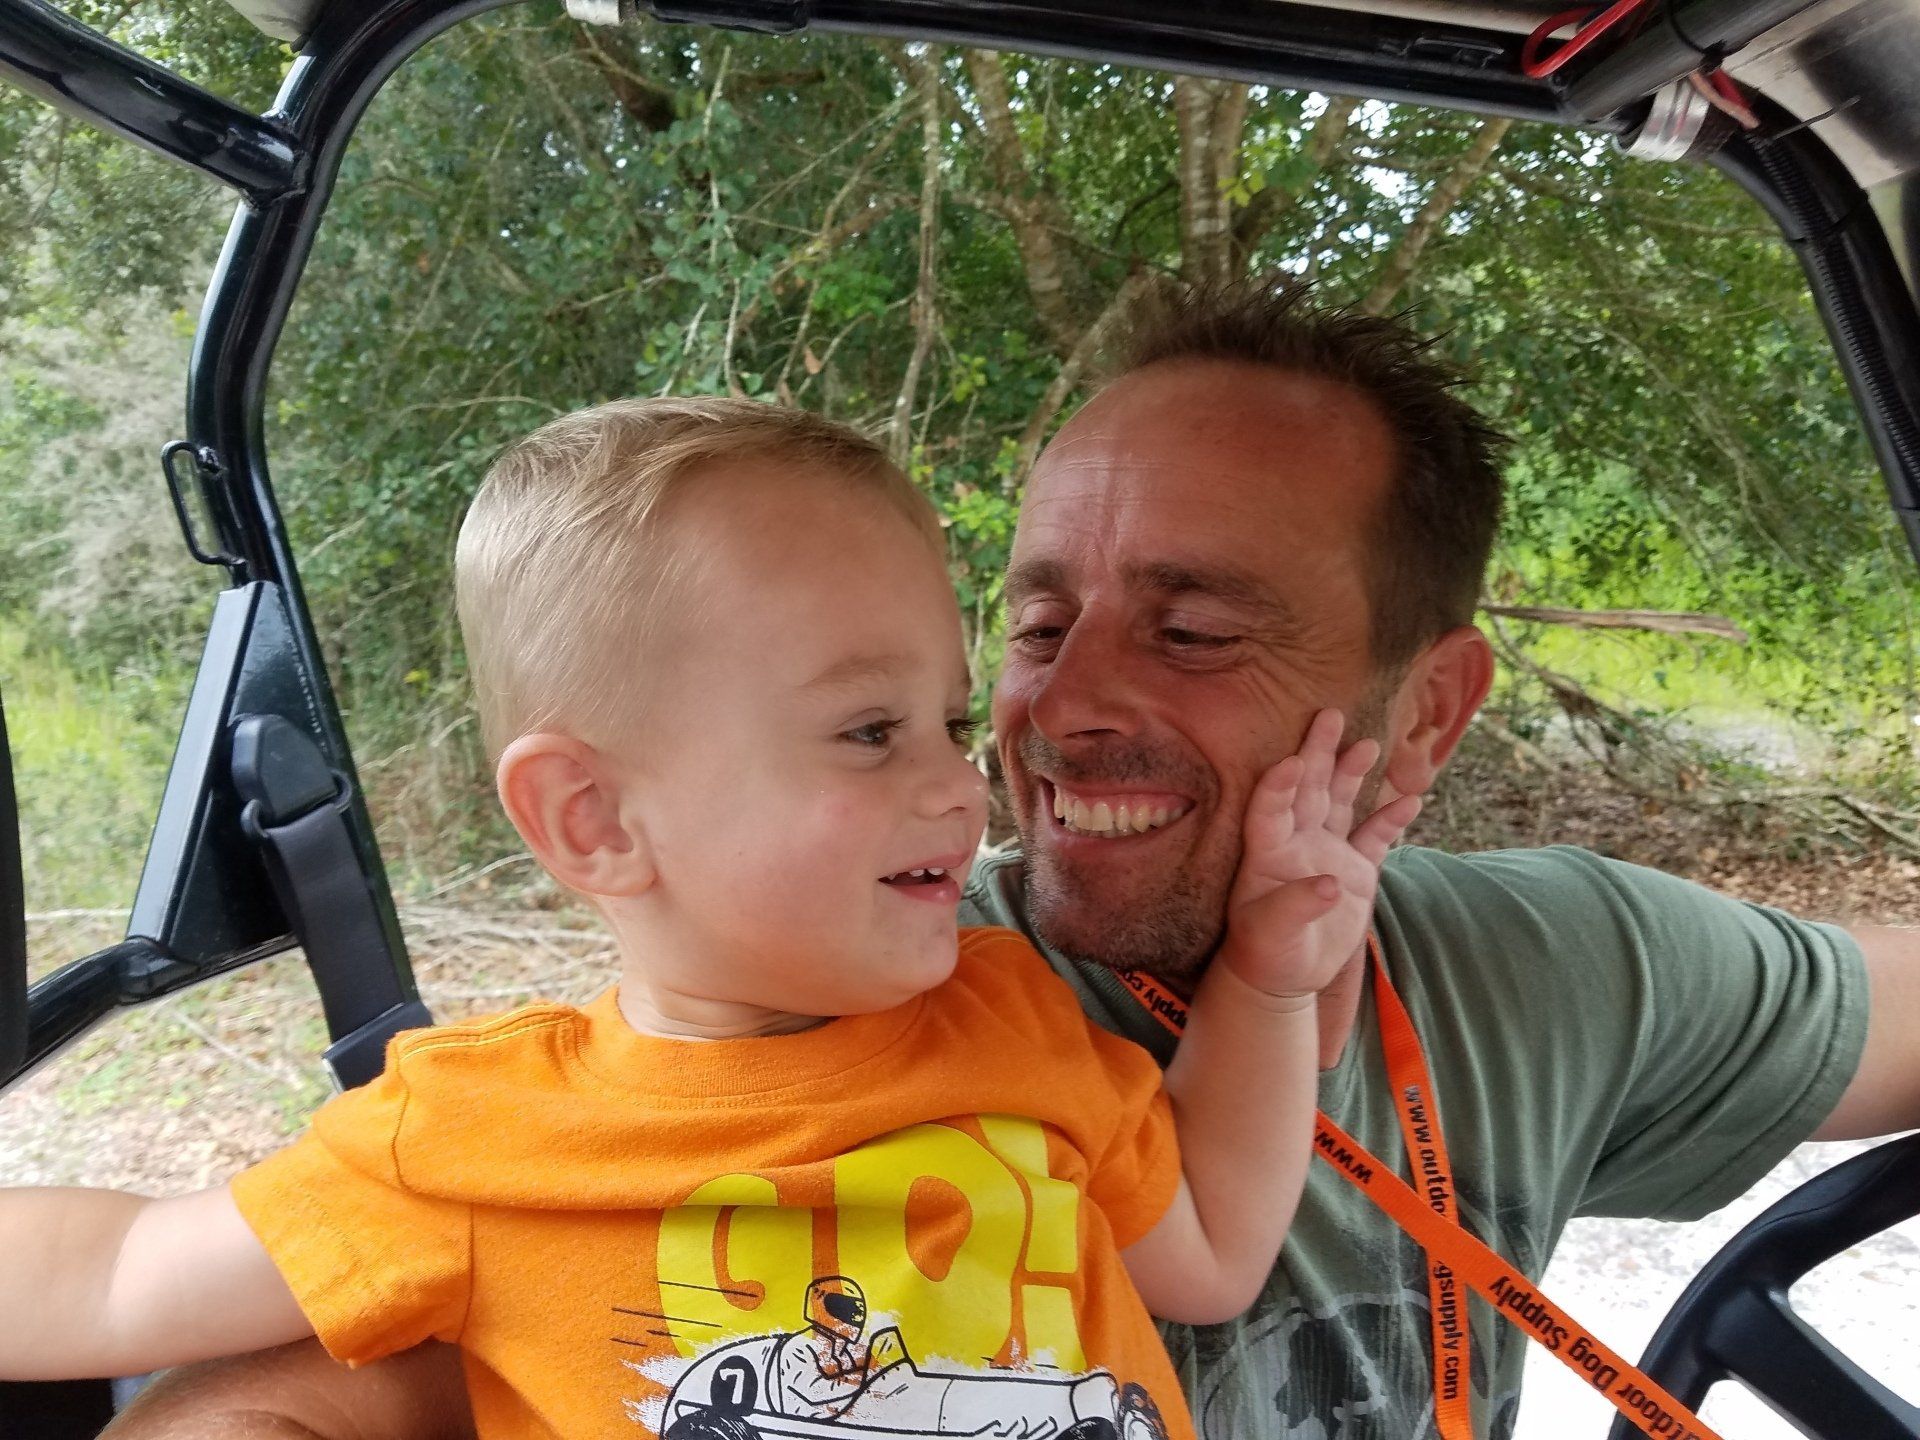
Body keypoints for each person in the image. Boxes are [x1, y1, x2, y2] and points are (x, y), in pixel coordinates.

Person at [104, 280, 1920, 1440]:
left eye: (1194, 631)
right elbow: (332, 1355)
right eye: (1040, 626)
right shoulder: (864, 979)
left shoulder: (1551, 964)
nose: (1053, 716)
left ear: (1426, 713)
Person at [0, 396, 1419, 1439]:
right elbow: (120, 1274)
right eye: (869, 732)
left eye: (946, 719)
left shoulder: (1014, 1017)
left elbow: (1213, 1251)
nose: (961, 781)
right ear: (594, 821)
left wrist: (1271, 975)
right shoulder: (469, 1139)